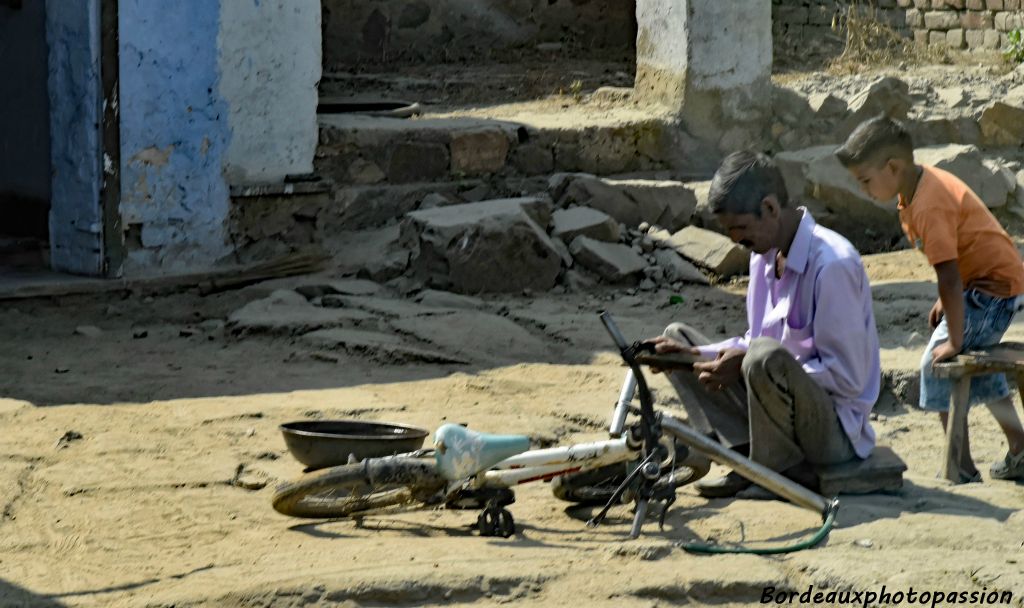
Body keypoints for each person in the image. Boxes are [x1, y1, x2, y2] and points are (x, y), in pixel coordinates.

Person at [648, 150, 881, 498]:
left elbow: (847, 378)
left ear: (771, 208)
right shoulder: (764, 255)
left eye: (740, 228)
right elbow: (754, 340)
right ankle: (747, 459)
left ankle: (774, 471)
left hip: (833, 434)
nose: (735, 240)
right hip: (774, 405)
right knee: (677, 340)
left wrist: (749, 366)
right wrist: (697, 353)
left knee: (759, 358)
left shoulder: (832, 264)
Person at [837, 115, 1024, 482]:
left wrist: (955, 338)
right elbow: (956, 267)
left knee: (935, 365)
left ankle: (962, 466)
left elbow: (949, 277)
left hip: (994, 292)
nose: (863, 190)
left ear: (893, 167)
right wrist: (949, 305)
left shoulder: (928, 204)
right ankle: (1020, 447)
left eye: (865, 181)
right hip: (985, 286)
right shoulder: (915, 192)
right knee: (977, 370)